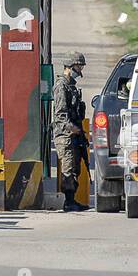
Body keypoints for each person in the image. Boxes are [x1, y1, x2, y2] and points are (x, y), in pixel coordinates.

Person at [54, 52, 90, 212]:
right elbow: (60, 115)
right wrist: (72, 128)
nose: (80, 70)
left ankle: (72, 200)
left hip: (74, 135)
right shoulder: (61, 86)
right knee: (68, 168)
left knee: (76, 168)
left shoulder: (71, 85)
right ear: (70, 66)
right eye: (78, 67)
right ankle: (68, 202)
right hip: (65, 135)